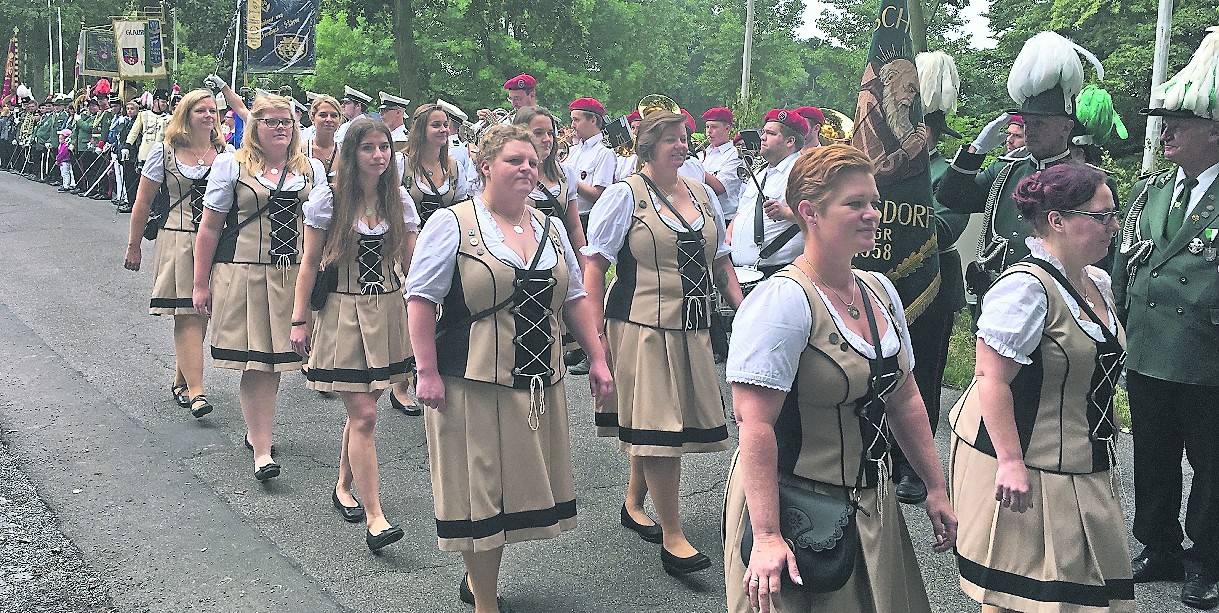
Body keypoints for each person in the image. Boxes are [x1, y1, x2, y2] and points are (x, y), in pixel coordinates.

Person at [724, 144, 955, 613]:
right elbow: (755, 425)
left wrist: (935, 487)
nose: (873, 214)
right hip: (796, 507)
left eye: (874, 202)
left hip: (872, 503)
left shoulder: (879, 290)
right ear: (809, 212)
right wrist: (767, 535)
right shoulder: (782, 302)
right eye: (855, 204)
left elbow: (905, 397)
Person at [406, 124, 612, 612]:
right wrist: (426, 371)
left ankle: (481, 578)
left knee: (508, 491)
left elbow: (576, 298)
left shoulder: (550, 226)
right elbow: (419, 299)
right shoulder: (452, 224)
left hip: (539, 378)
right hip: (471, 381)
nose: (526, 169)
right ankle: (485, 601)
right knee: (481, 493)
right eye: (514, 160)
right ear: (485, 167)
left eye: (533, 162)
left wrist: (599, 359)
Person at [951, 163, 1132, 612]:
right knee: (1022, 593)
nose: (1114, 226)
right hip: (1021, 461)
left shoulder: (1098, 282)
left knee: (1082, 590)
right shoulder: (1025, 290)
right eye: (1102, 216)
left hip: (1080, 461)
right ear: (1058, 220)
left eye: (1114, 213)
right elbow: (990, 379)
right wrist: (1010, 463)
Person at [583, 108, 744, 576]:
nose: (681, 145)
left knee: (662, 419)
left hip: (692, 326)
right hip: (641, 326)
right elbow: (596, 266)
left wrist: (745, 311)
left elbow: (721, 262)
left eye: (684, 138)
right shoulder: (623, 196)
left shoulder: (699, 191)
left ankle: (634, 503)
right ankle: (673, 535)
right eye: (671, 138)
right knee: (659, 427)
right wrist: (596, 341)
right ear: (648, 144)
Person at [1112, 28, 1219, 610]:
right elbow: (1127, 260)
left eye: (1180, 121)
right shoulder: (1154, 188)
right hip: (1151, 345)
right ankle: (1159, 545)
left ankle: (1206, 557)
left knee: (1212, 464)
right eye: (1165, 120)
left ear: (1215, 131)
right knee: (1151, 453)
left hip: (1208, 352)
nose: (1166, 130)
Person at [290, 118, 420, 551]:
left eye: (384, 147)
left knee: (363, 409)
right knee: (364, 415)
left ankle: (343, 484)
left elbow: (415, 263)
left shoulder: (398, 200)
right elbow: (309, 262)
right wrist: (299, 319)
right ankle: (376, 517)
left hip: (388, 307)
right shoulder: (328, 199)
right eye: (369, 148)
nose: (379, 155)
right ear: (352, 153)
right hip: (344, 308)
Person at [193, 94, 325, 481]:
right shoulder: (231, 165)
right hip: (244, 272)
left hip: (294, 275)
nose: (281, 127)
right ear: (255, 127)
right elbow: (210, 228)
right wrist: (201, 284)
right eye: (271, 121)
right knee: (257, 361)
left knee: (278, 359)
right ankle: (263, 449)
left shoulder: (311, 168)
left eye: (286, 121)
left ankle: (258, 431)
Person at [936, 32, 1116, 299]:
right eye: (1028, 122)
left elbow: (1102, 257)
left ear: (1066, 127)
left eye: (1040, 123)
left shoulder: (1092, 181)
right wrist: (975, 150)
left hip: (1061, 307)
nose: (1030, 129)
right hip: (1000, 300)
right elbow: (950, 197)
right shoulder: (1006, 171)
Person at [887, 50, 973, 505]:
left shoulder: (947, 172)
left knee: (924, 375)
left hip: (933, 284)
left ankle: (916, 467)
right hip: (884, 281)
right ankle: (882, 451)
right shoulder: (888, 170)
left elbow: (944, 228)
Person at [123, 89, 232, 419]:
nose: (209, 116)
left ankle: (182, 380)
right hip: (178, 238)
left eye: (213, 110)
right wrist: (133, 246)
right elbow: (142, 202)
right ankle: (197, 391)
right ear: (186, 114)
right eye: (202, 110)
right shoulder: (165, 152)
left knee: (202, 312)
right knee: (187, 312)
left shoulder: (226, 153)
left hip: (216, 242)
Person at [386, 102, 478, 416]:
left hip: (448, 249)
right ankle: (400, 385)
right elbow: (390, 204)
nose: (443, 130)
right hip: (409, 247)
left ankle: (432, 372)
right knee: (410, 312)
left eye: (445, 125)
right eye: (436, 125)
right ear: (421, 129)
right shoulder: (402, 164)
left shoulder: (454, 165)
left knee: (443, 313)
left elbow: (465, 203)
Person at [729, 109, 808, 279]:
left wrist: (785, 213)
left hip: (778, 271)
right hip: (745, 271)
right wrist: (729, 234)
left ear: (790, 141)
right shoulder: (760, 173)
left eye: (771, 133)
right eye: (763, 132)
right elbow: (742, 212)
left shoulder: (801, 172)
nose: (762, 137)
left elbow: (819, 214)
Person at [513, 106, 585, 251]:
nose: (547, 139)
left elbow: (574, 228)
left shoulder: (565, 174)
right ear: (521, 135)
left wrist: (584, 267)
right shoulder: (511, 174)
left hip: (560, 257)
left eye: (550, 133)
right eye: (538, 133)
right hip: (524, 256)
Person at [562, 97, 616, 229]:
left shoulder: (604, 153)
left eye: (576, 120)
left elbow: (598, 195)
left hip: (586, 219)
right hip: (566, 215)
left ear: (593, 120)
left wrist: (568, 179)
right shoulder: (573, 150)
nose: (572, 125)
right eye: (572, 120)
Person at [699, 107, 745, 221]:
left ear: (727, 128)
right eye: (707, 127)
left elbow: (720, 188)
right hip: (702, 217)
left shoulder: (735, 155)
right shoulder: (701, 154)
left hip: (724, 219)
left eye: (714, 127)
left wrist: (694, 168)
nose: (709, 131)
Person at [474, 73, 538, 130]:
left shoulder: (541, 119)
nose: (514, 104)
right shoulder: (509, 120)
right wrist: (489, 122)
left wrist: (499, 129)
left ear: (532, 95)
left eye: (517, 98)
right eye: (511, 99)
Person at [301, 94, 341, 176]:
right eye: (323, 115)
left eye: (334, 116)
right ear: (312, 117)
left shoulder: (345, 152)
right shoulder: (300, 151)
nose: (329, 119)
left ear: (339, 119)